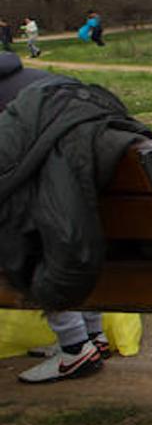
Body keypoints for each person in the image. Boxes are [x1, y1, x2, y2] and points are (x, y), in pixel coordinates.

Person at [1, 52, 111, 383]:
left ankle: (75, 347)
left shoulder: (15, 113)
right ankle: (93, 335)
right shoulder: (42, 82)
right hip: (99, 211)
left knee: (24, 232)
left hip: (56, 233)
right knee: (71, 224)